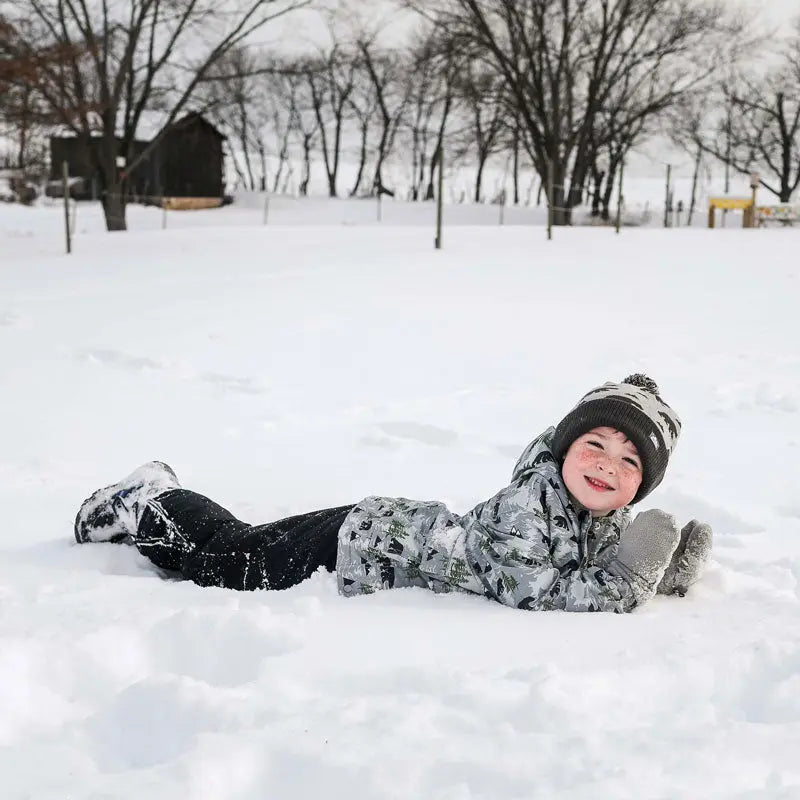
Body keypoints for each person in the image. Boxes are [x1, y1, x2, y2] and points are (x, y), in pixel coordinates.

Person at [73, 374, 712, 613]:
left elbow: (594, 562)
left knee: (235, 550)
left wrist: (660, 570)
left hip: (381, 531)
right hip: (356, 545)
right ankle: (148, 501)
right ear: (568, 447)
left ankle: (158, 500)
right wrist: (627, 585)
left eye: (629, 462)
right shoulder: (529, 506)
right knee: (225, 561)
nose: (606, 466)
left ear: (638, 488)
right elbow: (529, 589)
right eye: (595, 444)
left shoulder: (592, 514)